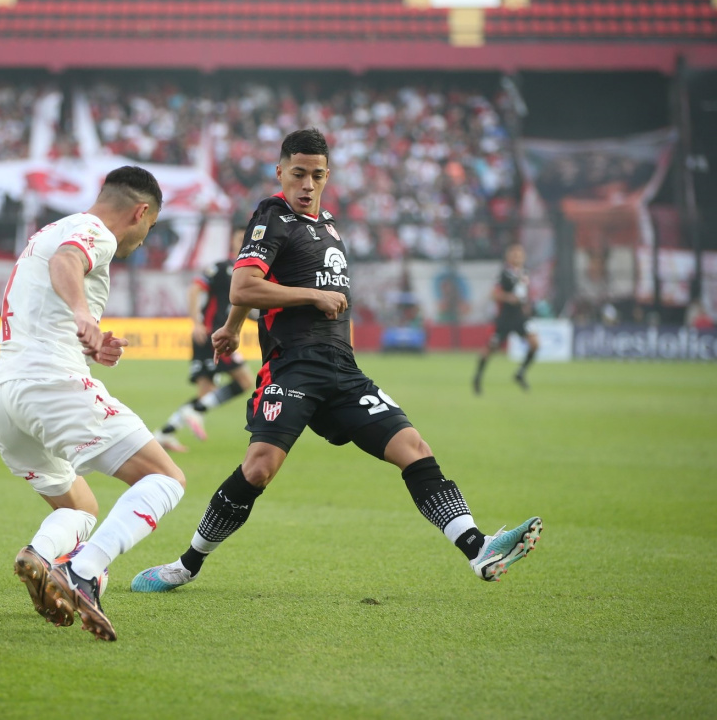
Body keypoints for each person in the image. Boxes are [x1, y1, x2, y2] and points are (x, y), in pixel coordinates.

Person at [131, 129, 541, 595]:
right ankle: (186, 565)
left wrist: (230, 327)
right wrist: (306, 297)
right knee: (259, 468)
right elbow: (243, 285)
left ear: (328, 176)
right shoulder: (272, 215)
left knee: (415, 449)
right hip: (293, 367)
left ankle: (478, 547)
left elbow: (250, 293)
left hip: (343, 370)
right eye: (299, 173)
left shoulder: (327, 223)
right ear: (280, 171)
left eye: (317, 175)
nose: (307, 184)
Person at [0, 166, 186, 641]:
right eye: (150, 226)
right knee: (166, 478)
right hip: (51, 383)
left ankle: (40, 554)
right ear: (140, 212)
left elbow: (49, 287)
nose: (144, 237)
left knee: (80, 505)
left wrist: (92, 344)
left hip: (4, 394)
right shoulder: (94, 233)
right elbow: (67, 263)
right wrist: (81, 316)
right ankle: (83, 572)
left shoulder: (50, 230)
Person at [153, 225, 254, 452]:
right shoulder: (221, 268)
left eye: (247, 239)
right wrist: (197, 322)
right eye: (240, 238)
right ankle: (196, 412)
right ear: (232, 241)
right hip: (213, 334)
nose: (243, 243)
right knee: (244, 381)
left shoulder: (249, 271)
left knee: (205, 393)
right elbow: (194, 290)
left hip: (219, 334)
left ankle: (163, 433)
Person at [472, 243, 540, 394]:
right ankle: (477, 377)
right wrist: (510, 298)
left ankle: (520, 373)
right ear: (508, 257)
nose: (517, 257)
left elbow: (525, 295)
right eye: (514, 254)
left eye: (520, 254)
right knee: (490, 349)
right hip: (505, 318)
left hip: (520, 317)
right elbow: (494, 294)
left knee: (535, 343)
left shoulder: (524, 274)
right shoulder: (504, 274)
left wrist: (527, 307)